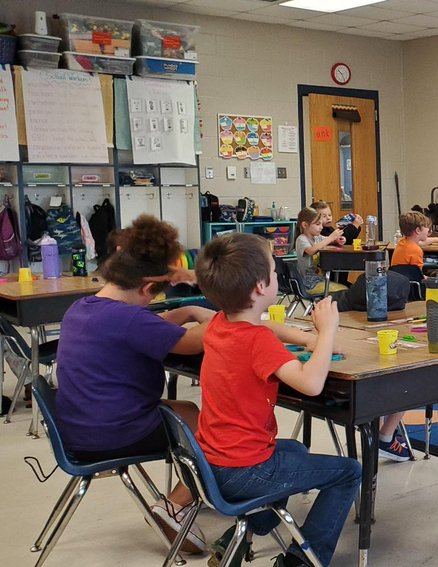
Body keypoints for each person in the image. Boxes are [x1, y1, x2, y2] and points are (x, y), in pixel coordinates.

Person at [196, 233, 361, 567]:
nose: (277, 278)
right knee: (348, 472)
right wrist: (327, 331)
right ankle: (302, 559)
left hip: (211, 461)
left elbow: (266, 329)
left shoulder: (218, 324)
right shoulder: (256, 341)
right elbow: (311, 384)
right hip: (244, 469)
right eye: (274, 273)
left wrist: (307, 339)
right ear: (261, 286)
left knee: (295, 450)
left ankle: (240, 536)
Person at [55, 215, 214, 553]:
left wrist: (185, 311)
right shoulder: (129, 319)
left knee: (188, 410)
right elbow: (191, 343)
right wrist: (230, 320)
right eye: (152, 297)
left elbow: (144, 324)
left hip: (79, 427)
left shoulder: (84, 308)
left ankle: (194, 489)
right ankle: (173, 505)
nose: (152, 304)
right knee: (218, 428)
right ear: (146, 289)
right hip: (113, 433)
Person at [295, 206, 349, 295]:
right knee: (344, 290)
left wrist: (338, 240)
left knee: (344, 288)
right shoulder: (301, 239)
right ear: (305, 225)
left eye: (321, 224)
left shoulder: (318, 237)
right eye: (317, 224)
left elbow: (330, 240)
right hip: (309, 283)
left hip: (318, 279)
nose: (321, 227)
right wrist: (331, 238)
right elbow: (311, 251)